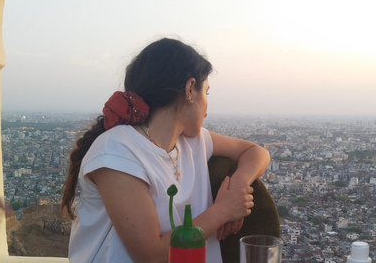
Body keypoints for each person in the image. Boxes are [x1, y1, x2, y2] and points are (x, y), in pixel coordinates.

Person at [61, 38, 270, 263]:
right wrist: (223, 210)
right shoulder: (117, 150)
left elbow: (256, 152)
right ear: (190, 89)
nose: (208, 106)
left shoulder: (194, 141)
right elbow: (151, 253)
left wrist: (238, 185)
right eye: (206, 93)